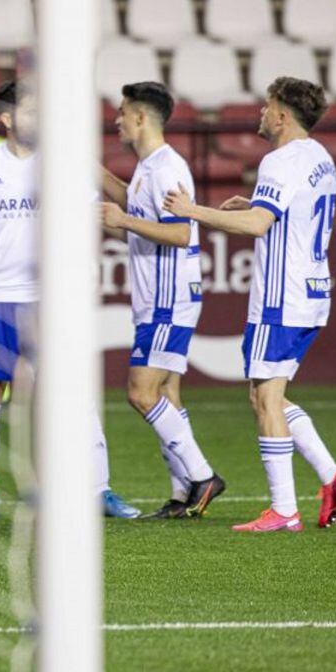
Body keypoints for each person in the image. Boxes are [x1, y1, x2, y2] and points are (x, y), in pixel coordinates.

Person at [163, 76, 336, 532]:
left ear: (283, 115)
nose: (261, 114)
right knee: (268, 395)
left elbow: (256, 226)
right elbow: (292, 209)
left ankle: (284, 511)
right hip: (312, 293)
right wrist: (254, 202)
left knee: (266, 397)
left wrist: (194, 212)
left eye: (267, 107)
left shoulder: (279, 161)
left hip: (281, 298)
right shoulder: (319, 157)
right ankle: (333, 477)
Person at [0, 79, 140, 521]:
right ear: (6, 118)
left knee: (75, 393)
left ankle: (98, 489)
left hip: (50, 301)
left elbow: (97, 219)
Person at [100, 82, 226, 519]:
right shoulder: (148, 168)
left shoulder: (167, 168)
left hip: (167, 298)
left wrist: (122, 220)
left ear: (140, 118)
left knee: (140, 392)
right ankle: (181, 492)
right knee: (167, 393)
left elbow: (181, 231)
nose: (116, 120)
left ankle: (202, 476)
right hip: (159, 296)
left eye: (121, 112)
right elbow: (133, 207)